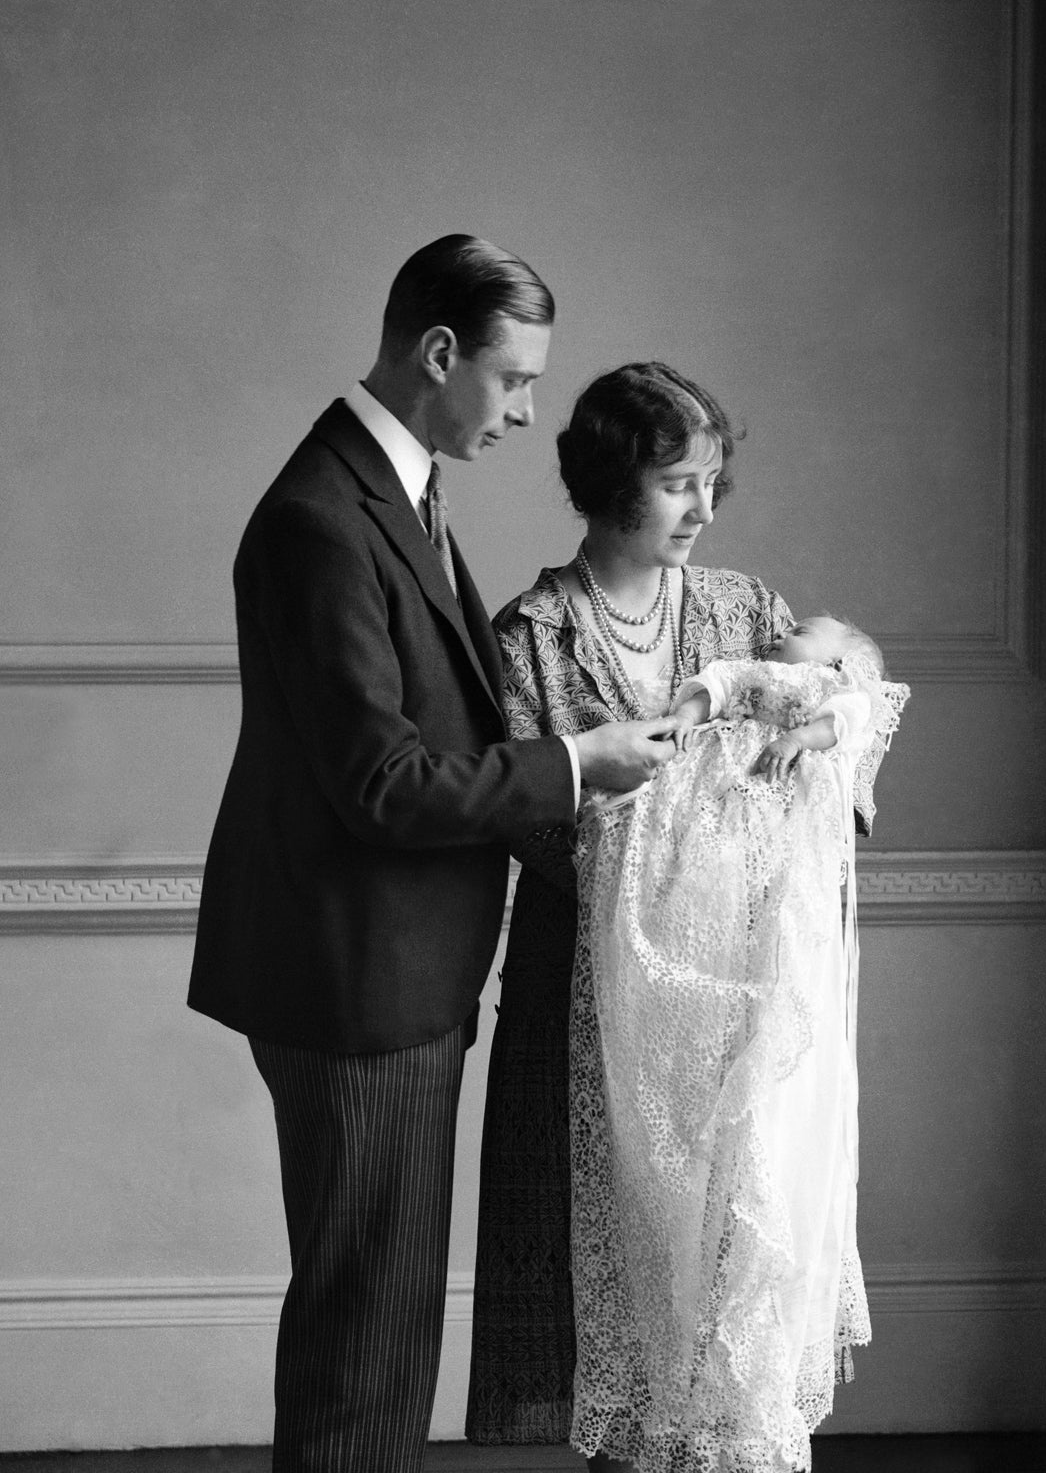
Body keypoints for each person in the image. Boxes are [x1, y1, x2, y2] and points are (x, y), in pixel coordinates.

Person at [188, 236, 677, 1473]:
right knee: (368, 1330)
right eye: (512, 382)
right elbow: (382, 783)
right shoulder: (321, 518)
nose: (525, 412)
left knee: (384, 1316)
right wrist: (577, 764)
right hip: (356, 980)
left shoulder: (388, 491)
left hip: (392, 970)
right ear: (439, 351)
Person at [465, 363, 898, 1463]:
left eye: (712, 483)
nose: (702, 509)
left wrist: (815, 740)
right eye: (675, 484)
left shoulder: (740, 608)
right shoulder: (532, 638)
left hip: (742, 991)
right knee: (611, 1285)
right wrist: (691, 804)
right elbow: (539, 824)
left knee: (728, 1281)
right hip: (586, 990)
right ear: (612, 483)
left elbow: (836, 720)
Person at [571, 614, 909, 1473]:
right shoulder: (748, 666)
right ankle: (685, 1410)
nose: (788, 627)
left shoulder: (831, 688)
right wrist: (691, 716)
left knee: (761, 1141)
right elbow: (711, 685)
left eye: (812, 632)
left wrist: (810, 733)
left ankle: (742, 1414)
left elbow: (859, 717)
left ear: (835, 658)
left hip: (770, 883)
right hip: (705, 866)